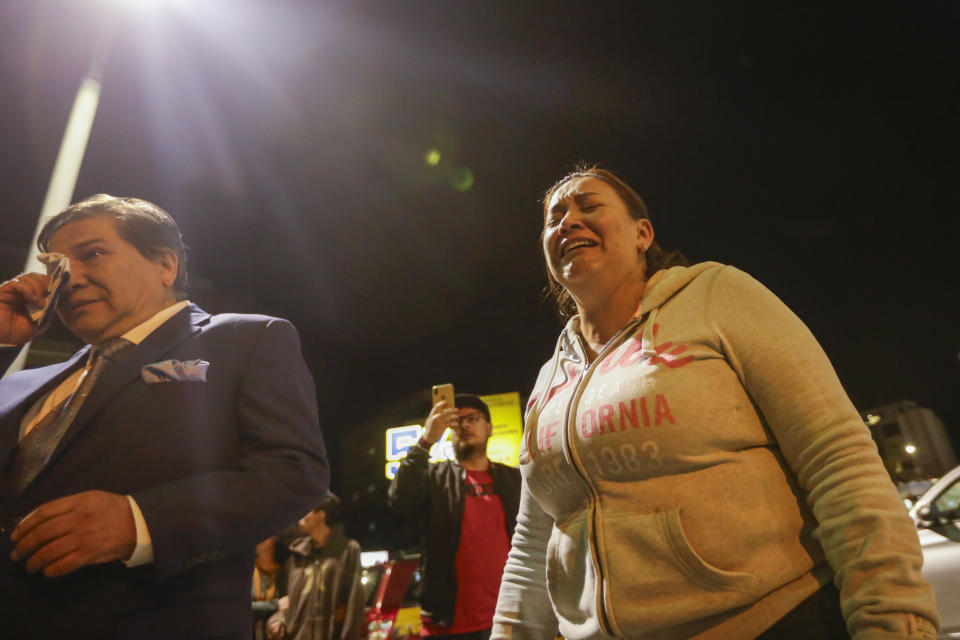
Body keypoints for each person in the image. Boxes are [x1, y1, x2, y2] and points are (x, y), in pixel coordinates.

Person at [492, 167, 940, 640]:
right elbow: (533, 542)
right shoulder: (549, 380)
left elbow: (838, 460)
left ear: (642, 233)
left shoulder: (715, 296)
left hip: (774, 623)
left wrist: (894, 622)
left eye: (589, 205)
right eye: (555, 216)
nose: (568, 221)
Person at [0, 194, 329, 639]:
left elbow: (294, 473)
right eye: (56, 266)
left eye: (92, 254)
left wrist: (140, 520)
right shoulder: (22, 381)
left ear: (166, 266)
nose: (69, 279)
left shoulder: (246, 339)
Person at [389, 393, 522, 639]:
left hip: (510, 620)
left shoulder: (513, 479)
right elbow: (399, 499)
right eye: (456, 421)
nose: (464, 425)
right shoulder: (435, 477)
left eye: (473, 418)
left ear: (489, 427)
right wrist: (426, 441)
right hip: (448, 625)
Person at [267, 492, 363, 640]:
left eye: (306, 510)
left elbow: (354, 604)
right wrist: (278, 619)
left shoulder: (347, 550)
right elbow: (289, 603)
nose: (300, 516)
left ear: (321, 515)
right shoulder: (297, 555)